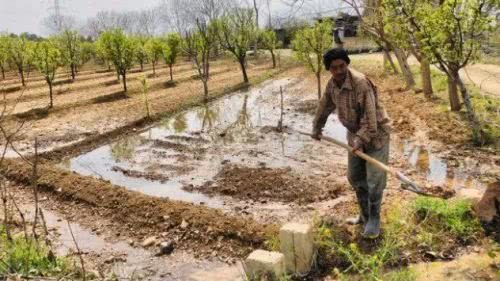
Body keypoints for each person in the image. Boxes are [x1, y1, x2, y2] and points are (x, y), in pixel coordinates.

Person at [312, 48, 391, 239]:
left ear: (347, 64)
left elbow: (371, 122)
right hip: (355, 135)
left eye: (342, 66)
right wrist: (317, 127)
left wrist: (361, 141)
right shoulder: (332, 85)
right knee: (355, 177)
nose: (339, 71)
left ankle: (374, 219)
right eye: (334, 68)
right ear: (329, 69)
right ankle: (364, 216)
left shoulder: (361, 83)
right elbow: (324, 107)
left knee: (374, 181)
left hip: (376, 135)